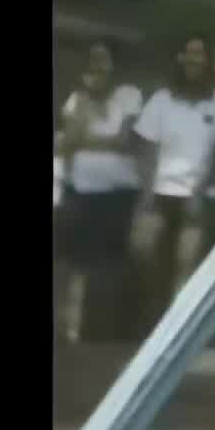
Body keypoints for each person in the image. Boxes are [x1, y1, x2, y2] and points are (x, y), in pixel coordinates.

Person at [130, 35, 215, 331]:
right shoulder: (162, 99)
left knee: (186, 262)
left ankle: (176, 329)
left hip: (197, 193)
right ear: (179, 59)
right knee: (142, 248)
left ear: (208, 61)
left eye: (199, 53)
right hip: (161, 191)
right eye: (188, 53)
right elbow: (147, 150)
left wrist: (201, 191)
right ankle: (154, 318)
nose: (193, 59)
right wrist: (147, 196)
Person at [57, 43, 144, 344]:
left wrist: (85, 139)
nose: (97, 68)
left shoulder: (129, 96)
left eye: (103, 61)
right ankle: (75, 326)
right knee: (79, 260)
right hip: (82, 189)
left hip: (119, 190)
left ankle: (108, 325)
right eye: (93, 62)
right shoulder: (77, 100)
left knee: (112, 258)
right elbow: (68, 141)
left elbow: (124, 140)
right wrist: (86, 110)